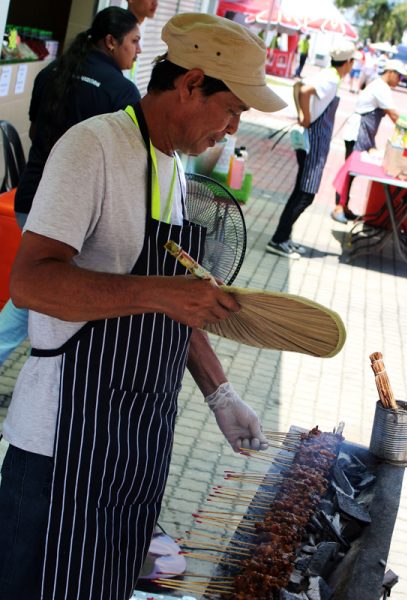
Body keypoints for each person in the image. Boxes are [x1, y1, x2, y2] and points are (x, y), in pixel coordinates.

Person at [0, 13, 286, 600]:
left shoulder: (174, 168)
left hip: (135, 444)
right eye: (231, 110)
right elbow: (30, 283)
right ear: (191, 83)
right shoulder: (94, 147)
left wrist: (220, 393)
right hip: (61, 447)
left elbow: (177, 305)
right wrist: (159, 291)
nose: (232, 129)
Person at [0, 7, 141, 367]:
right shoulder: (121, 92)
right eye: (134, 42)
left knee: (35, 296)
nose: (138, 50)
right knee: (39, 299)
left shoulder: (52, 71)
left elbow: (35, 132)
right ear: (112, 42)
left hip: (29, 201)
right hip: (70, 217)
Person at [266, 41, 355, 259]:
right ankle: (278, 240)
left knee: (302, 192)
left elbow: (298, 86)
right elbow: (304, 90)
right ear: (349, 63)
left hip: (313, 141)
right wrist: (304, 116)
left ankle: (284, 238)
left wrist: (302, 114)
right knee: (305, 195)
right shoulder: (332, 78)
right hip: (313, 142)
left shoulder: (328, 73)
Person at [332, 59, 405, 223]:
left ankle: (344, 205)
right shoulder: (381, 88)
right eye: (399, 76)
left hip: (365, 133)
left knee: (353, 171)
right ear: (391, 72)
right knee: (349, 171)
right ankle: (338, 207)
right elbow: (394, 115)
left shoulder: (379, 85)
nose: (400, 80)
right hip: (358, 132)